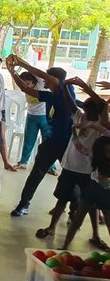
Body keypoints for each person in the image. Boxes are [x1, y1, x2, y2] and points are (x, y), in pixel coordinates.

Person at [34, 80, 107, 246]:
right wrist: (65, 86)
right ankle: (52, 226)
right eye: (86, 109)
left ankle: (95, 234)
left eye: (90, 110)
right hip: (69, 167)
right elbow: (71, 103)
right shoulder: (80, 115)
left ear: (97, 112)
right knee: (62, 198)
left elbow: (101, 105)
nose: (86, 112)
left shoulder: (101, 124)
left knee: (92, 205)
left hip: (88, 171)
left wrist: (87, 88)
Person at [7, 55, 74, 217]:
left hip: (67, 144)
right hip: (51, 143)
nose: (44, 81)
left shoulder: (66, 89)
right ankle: (24, 204)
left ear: (54, 79)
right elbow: (26, 89)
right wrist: (12, 72)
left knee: (72, 177)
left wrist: (22, 63)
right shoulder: (50, 96)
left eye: (47, 78)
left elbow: (44, 76)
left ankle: (74, 210)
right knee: (36, 174)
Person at [61, 136, 110, 250]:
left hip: (106, 194)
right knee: (77, 221)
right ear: (100, 152)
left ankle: (65, 247)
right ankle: (64, 247)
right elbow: (78, 145)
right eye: (107, 151)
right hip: (92, 190)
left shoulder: (96, 158)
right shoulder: (94, 157)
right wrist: (74, 130)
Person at [15, 72, 53, 170]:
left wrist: (20, 62)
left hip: (44, 116)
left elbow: (34, 71)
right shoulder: (25, 88)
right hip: (31, 116)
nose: (25, 86)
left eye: (28, 83)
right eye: (23, 84)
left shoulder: (40, 84)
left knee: (47, 142)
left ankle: (50, 166)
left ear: (33, 81)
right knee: (28, 141)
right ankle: (23, 162)